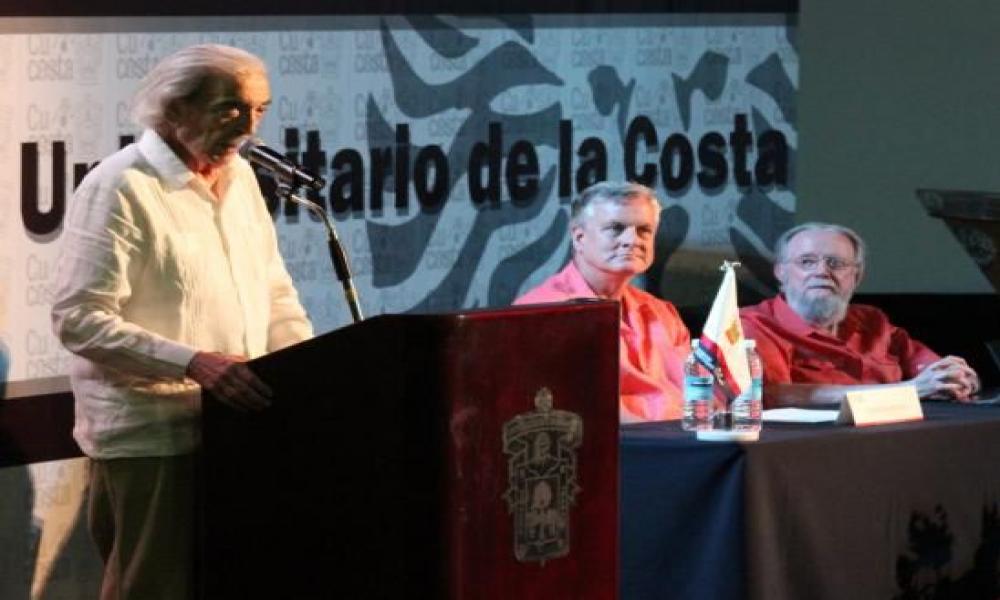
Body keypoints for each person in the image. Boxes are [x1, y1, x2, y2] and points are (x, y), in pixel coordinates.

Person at [51, 44, 313, 600]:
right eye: (229, 108)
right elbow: (79, 319)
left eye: (259, 110)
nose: (247, 127)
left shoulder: (240, 178)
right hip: (152, 437)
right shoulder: (121, 186)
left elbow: (274, 290)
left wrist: (309, 373)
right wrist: (195, 363)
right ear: (174, 109)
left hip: (238, 430)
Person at [740, 222, 979, 407]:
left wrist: (956, 378)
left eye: (836, 263)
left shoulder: (873, 321)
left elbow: (930, 369)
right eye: (807, 262)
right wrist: (909, 390)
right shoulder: (753, 324)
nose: (822, 271)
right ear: (781, 273)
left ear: (857, 276)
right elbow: (772, 394)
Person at [514, 181, 690, 422]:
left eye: (644, 231)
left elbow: (698, 395)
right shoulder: (541, 314)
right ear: (579, 238)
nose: (632, 240)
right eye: (616, 228)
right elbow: (576, 409)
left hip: (681, 444)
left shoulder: (662, 313)